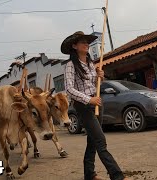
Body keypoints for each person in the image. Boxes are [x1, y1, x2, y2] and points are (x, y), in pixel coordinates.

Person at [62, 31, 129, 180]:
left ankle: (89, 174)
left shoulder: (91, 64)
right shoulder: (70, 65)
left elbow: (94, 85)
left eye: (87, 42)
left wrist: (100, 77)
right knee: (100, 141)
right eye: (82, 42)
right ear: (74, 46)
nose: (86, 44)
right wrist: (88, 100)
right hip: (83, 106)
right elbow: (69, 89)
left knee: (92, 141)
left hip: (97, 103)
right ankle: (117, 176)